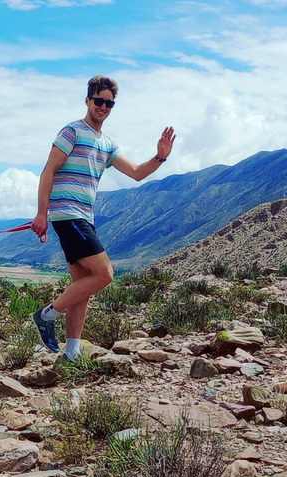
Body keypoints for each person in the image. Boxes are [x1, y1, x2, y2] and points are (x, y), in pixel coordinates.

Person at [31, 75, 176, 360]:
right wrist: (41, 212)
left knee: (82, 285)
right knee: (105, 274)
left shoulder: (107, 144)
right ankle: (46, 315)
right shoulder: (72, 132)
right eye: (99, 100)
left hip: (83, 216)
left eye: (109, 103)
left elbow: (136, 172)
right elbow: (49, 170)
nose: (103, 107)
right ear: (88, 100)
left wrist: (160, 158)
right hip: (69, 214)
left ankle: (72, 353)